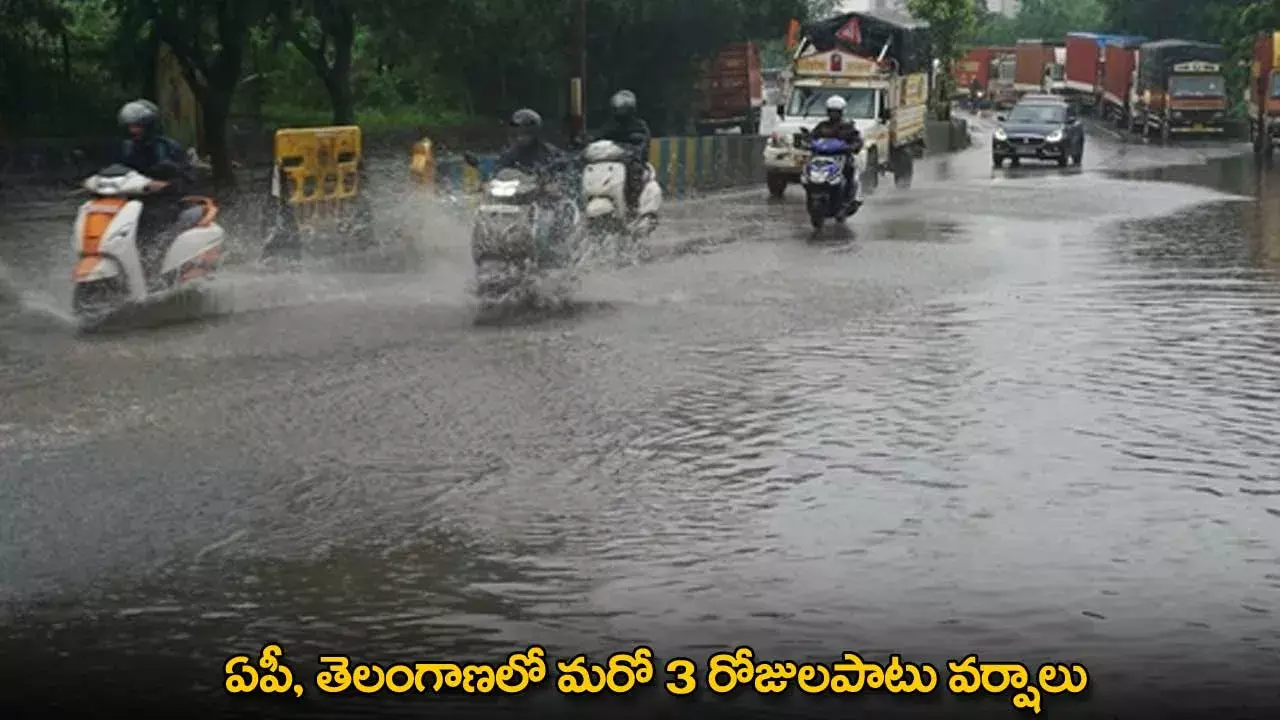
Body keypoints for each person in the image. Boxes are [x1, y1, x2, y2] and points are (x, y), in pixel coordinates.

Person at [116, 99, 201, 287]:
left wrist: (167, 183)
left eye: (137, 126)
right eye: (130, 126)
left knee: (153, 223)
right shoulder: (126, 147)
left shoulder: (168, 147)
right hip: (133, 202)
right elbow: (115, 168)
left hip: (164, 202)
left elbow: (186, 175)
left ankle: (154, 267)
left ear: (149, 126)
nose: (133, 131)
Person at [493, 108, 575, 266]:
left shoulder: (549, 152)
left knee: (553, 215)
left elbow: (564, 166)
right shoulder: (509, 154)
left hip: (541, 199)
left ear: (535, 132)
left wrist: (554, 182)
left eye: (525, 132)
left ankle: (555, 255)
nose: (521, 136)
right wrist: (488, 182)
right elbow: (498, 171)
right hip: (515, 201)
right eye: (518, 132)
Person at [594, 90, 651, 214]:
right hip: (612, 162)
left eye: (624, 108)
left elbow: (644, 143)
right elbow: (598, 137)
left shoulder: (639, 125)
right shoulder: (610, 125)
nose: (621, 111)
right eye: (618, 108)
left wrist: (636, 151)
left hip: (632, 161)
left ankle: (633, 204)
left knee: (635, 171)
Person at [809, 95, 864, 212]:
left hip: (842, 157)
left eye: (836, 112)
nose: (834, 114)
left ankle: (849, 199)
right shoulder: (822, 126)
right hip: (822, 158)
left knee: (850, 171)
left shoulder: (848, 127)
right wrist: (807, 143)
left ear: (842, 112)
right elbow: (812, 137)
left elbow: (857, 140)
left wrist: (853, 146)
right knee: (806, 172)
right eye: (831, 112)